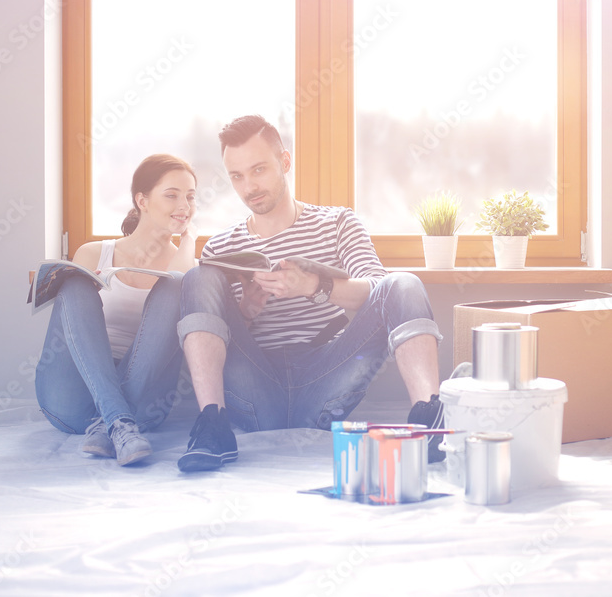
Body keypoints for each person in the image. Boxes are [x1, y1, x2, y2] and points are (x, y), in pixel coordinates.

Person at [175, 114, 444, 472]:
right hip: (256, 386)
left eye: (259, 170)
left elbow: (380, 291)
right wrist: (245, 311)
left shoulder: (337, 223)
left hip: (326, 378)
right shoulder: (222, 246)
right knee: (197, 279)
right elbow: (218, 336)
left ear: (285, 162)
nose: (249, 187)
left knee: (404, 282)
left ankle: (428, 423)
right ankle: (212, 423)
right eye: (237, 176)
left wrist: (316, 287)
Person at [35, 154, 198, 466]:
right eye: (172, 195)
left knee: (177, 285)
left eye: (190, 197)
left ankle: (113, 421)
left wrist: (189, 239)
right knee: (74, 285)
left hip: (143, 401)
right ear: (142, 200)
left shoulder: (185, 261)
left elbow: (179, 282)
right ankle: (116, 417)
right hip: (74, 396)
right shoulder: (94, 253)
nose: (185, 205)